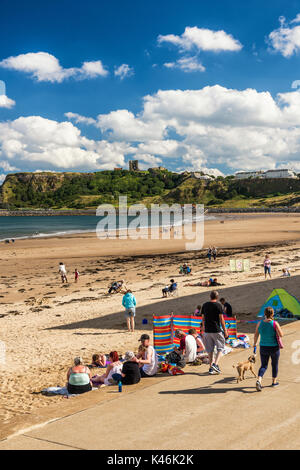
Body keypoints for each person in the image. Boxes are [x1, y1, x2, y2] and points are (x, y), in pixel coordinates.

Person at [253, 307, 283, 391]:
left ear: (265, 314)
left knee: (263, 365)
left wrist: (255, 343)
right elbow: (281, 335)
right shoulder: (275, 323)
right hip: (274, 348)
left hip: (263, 347)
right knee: (274, 365)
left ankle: (259, 380)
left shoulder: (259, 323)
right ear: (272, 314)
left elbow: (256, 335)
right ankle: (274, 382)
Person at [201, 291, 228, 375]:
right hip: (216, 330)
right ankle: (215, 364)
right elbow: (222, 319)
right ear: (217, 297)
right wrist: (225, 330)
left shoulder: (204, 305)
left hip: (207, 331)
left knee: (210, 349)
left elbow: (203, 318)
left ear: (210, 296)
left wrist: (203, 328)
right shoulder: (218, 305)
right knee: (221, 347)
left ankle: (211, 367)